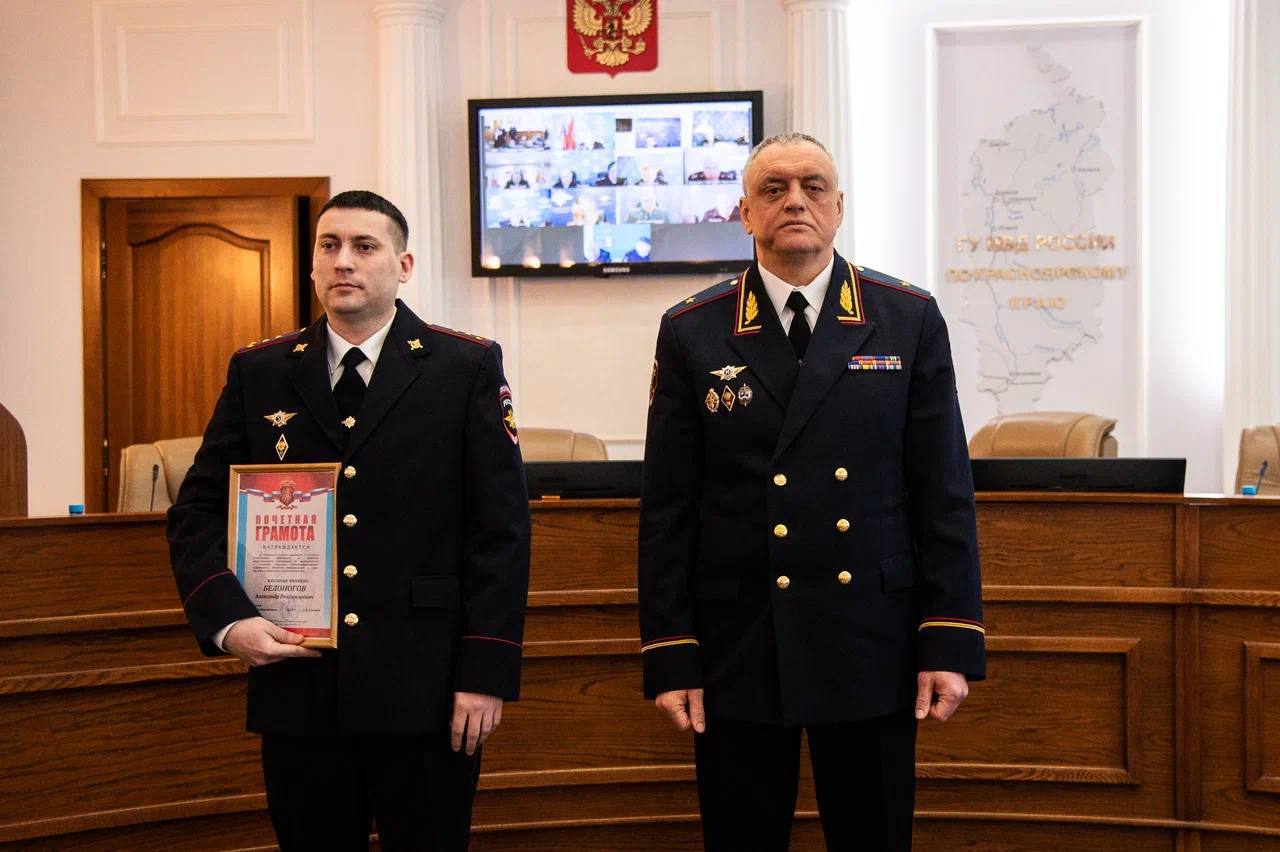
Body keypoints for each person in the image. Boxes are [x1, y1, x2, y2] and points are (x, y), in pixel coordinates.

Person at [638, 132, 984, 851]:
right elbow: (669, 508)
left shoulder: (906, 317)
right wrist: (672, 650)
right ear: (744, 212)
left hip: (873, 639)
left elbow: (943, 491)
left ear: (839, 207)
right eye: (773, 189)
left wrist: (949, 637)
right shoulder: (693, 329)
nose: (794, 200)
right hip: (740, 640)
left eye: (812, 186)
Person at [168, 190, 531, 851]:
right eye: (329, 246)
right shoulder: (260, 371)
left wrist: (486, 672)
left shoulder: (464, 367)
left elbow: (500, 531)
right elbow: (195, 510)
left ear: (403, 265)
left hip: (427, 689)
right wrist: (227, 620)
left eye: (365, 247)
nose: (344, 261)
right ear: (312, 265)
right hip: (299, 688)